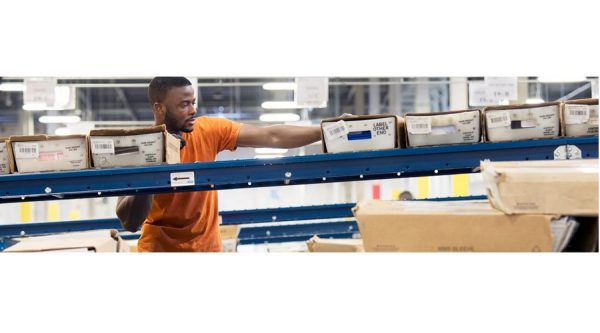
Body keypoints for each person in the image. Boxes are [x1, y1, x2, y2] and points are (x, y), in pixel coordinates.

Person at [116, 77, 322, 252]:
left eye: (193, 102)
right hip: (158, 251)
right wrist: (154, 162)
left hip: (208, 248)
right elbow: (130, 222)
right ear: (160, 108)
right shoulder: (141, 146)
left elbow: (272, 136)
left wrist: (324, 130)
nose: (192, 110)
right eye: (184, 104)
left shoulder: (208, 131)